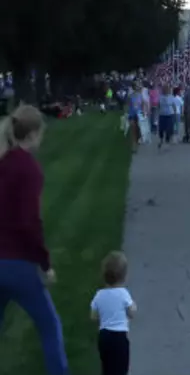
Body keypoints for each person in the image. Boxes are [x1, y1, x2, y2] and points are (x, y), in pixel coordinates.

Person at [0, 105, 70, 374]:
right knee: (49, 327)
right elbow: (29, 222)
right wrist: (44, 262)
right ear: (32, 134)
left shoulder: (3, 163)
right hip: (18, 261)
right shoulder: (28, 169)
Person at [90, 251, 136, 375]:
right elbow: (132, 312)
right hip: (120, 338)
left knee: (107, 367)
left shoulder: (99, 295)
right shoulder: (123, 294)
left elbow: (93, 316)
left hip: (104, 337)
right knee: (121, 368)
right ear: (124, 276)